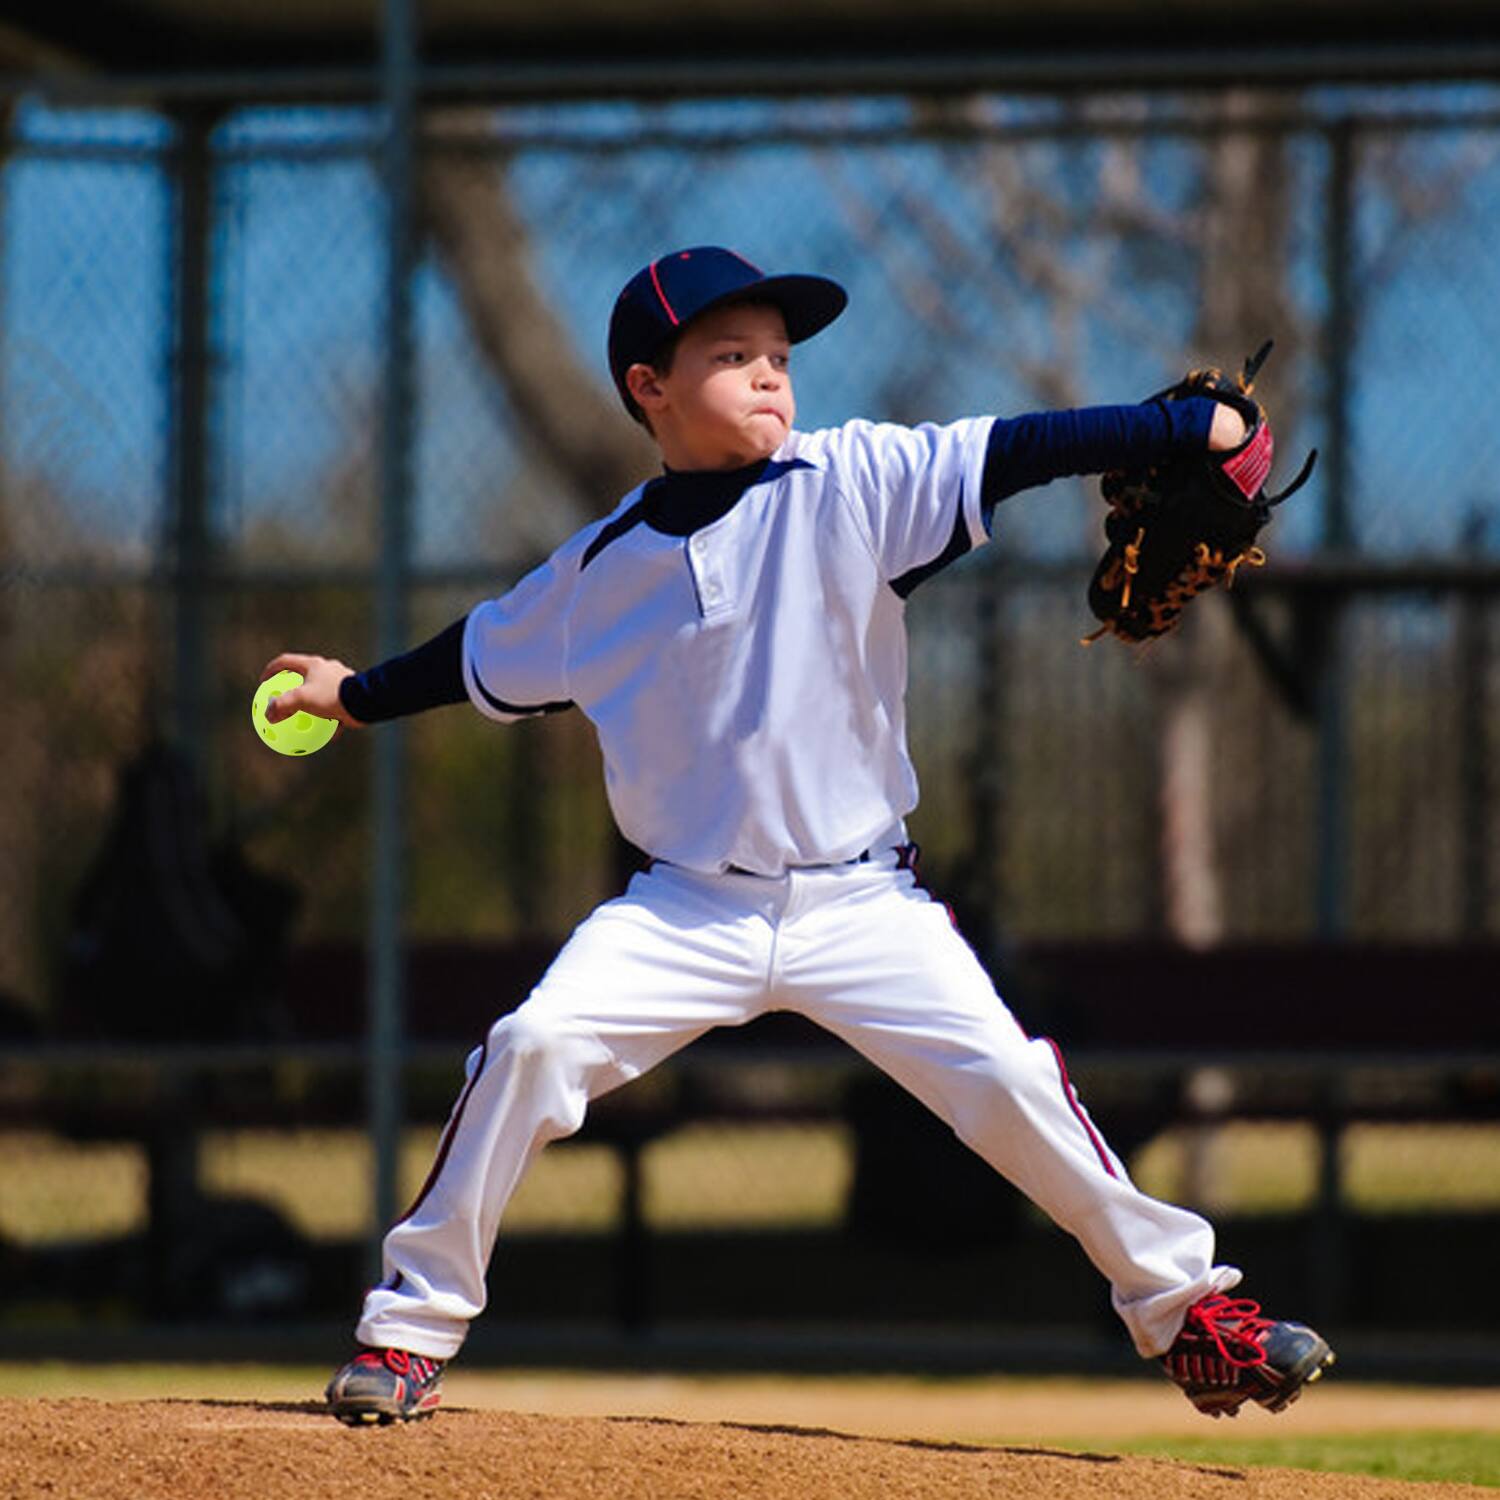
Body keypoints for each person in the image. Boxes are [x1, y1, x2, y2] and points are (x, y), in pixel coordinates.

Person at [263, 246, 1335, 1427]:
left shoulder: (853, 482)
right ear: (648, 387)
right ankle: (409, 1332)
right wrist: (352, 694)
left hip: (864, 905)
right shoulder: (596, 575)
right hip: (685, 910)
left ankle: (1190, 1317)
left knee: (1014, 1083)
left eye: (779, 354)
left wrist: (1174, 428)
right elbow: (474, 655)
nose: (771, 374)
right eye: (732, 356)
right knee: (529, 1047)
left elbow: (1021, 447)